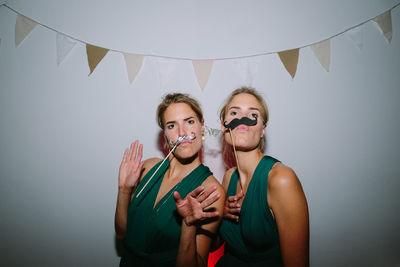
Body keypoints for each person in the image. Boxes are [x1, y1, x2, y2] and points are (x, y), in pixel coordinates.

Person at [114, 93, 225, 267]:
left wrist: (188, 225)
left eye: (189, 122)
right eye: (172, 126)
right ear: (165, 134)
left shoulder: (211, 190)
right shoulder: (148, 167)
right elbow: (122, 234)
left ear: (202, 127)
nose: (182, 133)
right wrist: (123, 190)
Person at [215, 87, 309, 267]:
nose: (242, 119)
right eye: (234, 112)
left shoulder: (281, 179)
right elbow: (215, 245)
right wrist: (218, 215)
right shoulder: (228, 178)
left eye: (253, 115)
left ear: (262, 129)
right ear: (224, 126)